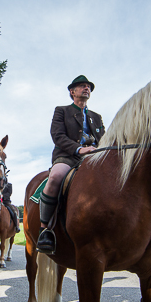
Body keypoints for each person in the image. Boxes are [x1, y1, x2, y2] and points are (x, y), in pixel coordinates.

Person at [36, 75, 105, 254]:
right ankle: (44, 230)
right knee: (56, 177)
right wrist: (79, 149)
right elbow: (57, 136)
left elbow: (105, 139)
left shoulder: (97, 117)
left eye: (88, 86)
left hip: (95, 157)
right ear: (72, 92)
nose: (86, 88)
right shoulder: (61, 110)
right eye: (82, 86)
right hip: (68, 156)